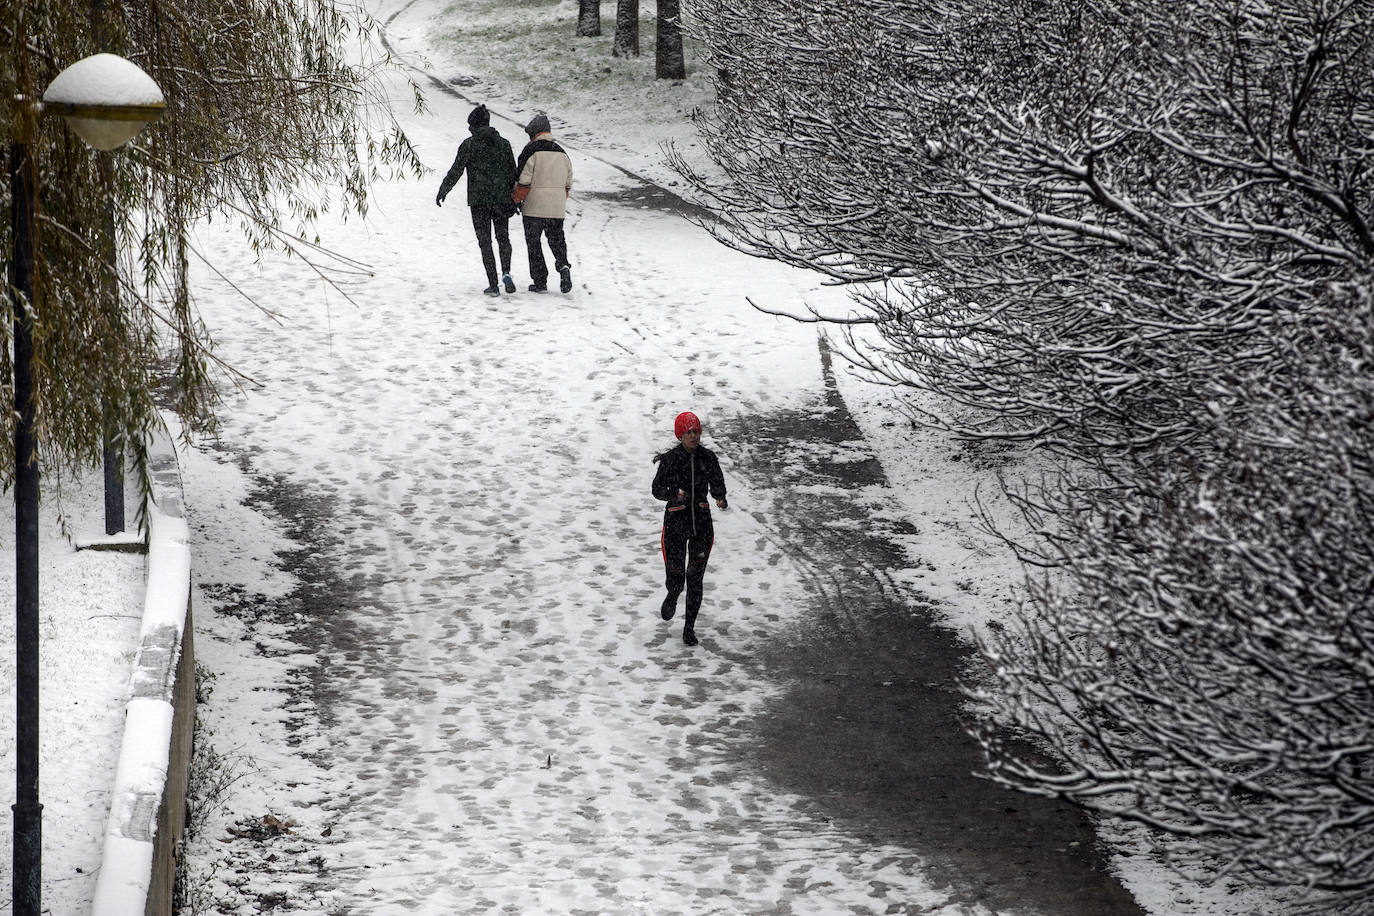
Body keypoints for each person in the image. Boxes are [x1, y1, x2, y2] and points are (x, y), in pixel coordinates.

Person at [651, 411, 728, 646]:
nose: (693, 436)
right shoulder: (671, 459)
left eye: (696, 431)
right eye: (688, 432)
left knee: (695, 577)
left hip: (701, 525)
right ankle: (673, 594)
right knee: (676, 574)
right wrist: (674, 495)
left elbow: (717, 481)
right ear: (680, 435)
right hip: (675, 524)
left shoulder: (708, 458)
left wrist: (720, 498)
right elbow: (656, 490)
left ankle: (689, 628)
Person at [435, 104, 518, 296]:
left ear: (474, 126)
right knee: (503, 238)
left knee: (485, 241)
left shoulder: (469, 145)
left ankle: (493, 283)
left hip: (479, 200)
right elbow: (513, 172)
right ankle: (506, 272)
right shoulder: (504, 144)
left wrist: (443, 190)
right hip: (501, 199)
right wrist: (515, 199)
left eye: (470, 125)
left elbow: (456, 170)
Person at [513, 113, 574, 294]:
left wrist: (516, 199)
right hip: (556, 208)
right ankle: (563, 267)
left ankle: (540, 281)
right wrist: (558, 199)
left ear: (535, 133)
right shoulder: (562, 153)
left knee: (534, 244)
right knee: (556, 240)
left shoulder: (530, 151)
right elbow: (568, 183)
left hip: (533, 207)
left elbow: (523, 181)